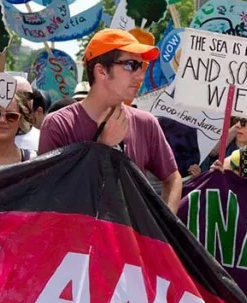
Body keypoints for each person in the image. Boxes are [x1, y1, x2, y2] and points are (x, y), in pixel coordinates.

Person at [39, 29, 182, 210]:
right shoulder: (58, 125)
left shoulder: (146, 123)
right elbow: (48, 195)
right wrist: (102, 148)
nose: (140, 75)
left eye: (142, 66)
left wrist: (162, 229)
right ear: (101, 71)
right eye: (131, 65)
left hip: (130, 238)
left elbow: (173, 178)